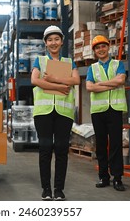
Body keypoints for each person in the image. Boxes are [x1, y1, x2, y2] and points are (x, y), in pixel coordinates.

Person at [30, 25, 80, 201]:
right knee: (45, 147)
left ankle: (59, 189)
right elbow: (35, 80)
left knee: (61, 148)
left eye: (56, 39)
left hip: (63, 112)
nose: (53, 43)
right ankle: (46, 189)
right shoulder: (40, 61)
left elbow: (76, 80)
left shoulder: (69, 62)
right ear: (45, 43)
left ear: (62, 41)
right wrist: (60, 86)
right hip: (43, 111)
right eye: (50, 40)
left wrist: (52, 79)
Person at [85, 35, 127, 191]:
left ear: (108, 47)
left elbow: (120, 81)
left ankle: (117, 178)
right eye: (97, 48)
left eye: (103, 46)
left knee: (116, 144)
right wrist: (110, 85)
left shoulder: (118, 64)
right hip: (98, 111)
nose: (100, 50)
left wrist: (100, 84)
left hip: (114, 110)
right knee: (101, 145)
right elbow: (89, 87)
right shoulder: (92, 68)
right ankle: (104, 177)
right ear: (95, 52)